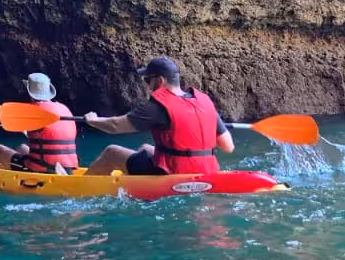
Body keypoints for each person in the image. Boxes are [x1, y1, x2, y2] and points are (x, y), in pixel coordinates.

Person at [83, 56, 234, 176]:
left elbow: (115, 126)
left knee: (112, 152)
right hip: (207, 170)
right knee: (145, 148)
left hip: (173, 172)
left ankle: (81, 187)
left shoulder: (157, 106)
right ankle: (132, 179)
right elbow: (228, 147)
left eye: (148, 80)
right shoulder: (204, 102)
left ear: (160, 81)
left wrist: (94, 121)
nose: (147, 85)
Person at [0, 73, 77, 173]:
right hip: (67, 169)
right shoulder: (64, 108)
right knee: (22, 148)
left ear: (30, 92)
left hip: (43, 169)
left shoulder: (32, 110)